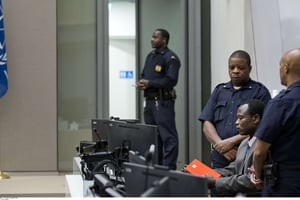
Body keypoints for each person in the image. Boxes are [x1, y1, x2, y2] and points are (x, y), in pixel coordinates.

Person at [198, 50, 271, 169]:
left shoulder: (260, 92)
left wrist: (230, 142)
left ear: (249, 68)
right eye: (231, 67)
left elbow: (264, 126)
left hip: (246, 154)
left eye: (240, 68)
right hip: (220, 155)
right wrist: (220, 146)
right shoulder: (220, 90)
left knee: (242, 186)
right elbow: (207, 122)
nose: (235, 71)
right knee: (216, 185)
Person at [249, 48, 300, 197]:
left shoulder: (281, 103)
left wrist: (258, 175)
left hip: (286, 182)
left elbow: (259, 151)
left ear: (285, 68)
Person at [137, 28, 180, 170]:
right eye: (152, 36)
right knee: (153, 137)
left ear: (164, 40)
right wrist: (142, 83)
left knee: (168, 138)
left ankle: (168, 170)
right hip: (149, 103)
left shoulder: (171, 58)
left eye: (155, 37)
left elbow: (171, 80)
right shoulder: (150, 56)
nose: (152, 39)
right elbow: (144, 75)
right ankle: (156, 169)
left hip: (162, 103)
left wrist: (150, 83)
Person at [206, 99, 265, 197]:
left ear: (255, 118)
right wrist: (202, 174)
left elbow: (250, 180)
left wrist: (215, 182)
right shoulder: (244, 143)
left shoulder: (263, 146)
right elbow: (233, 169)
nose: (236, 122)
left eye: (241, 118)